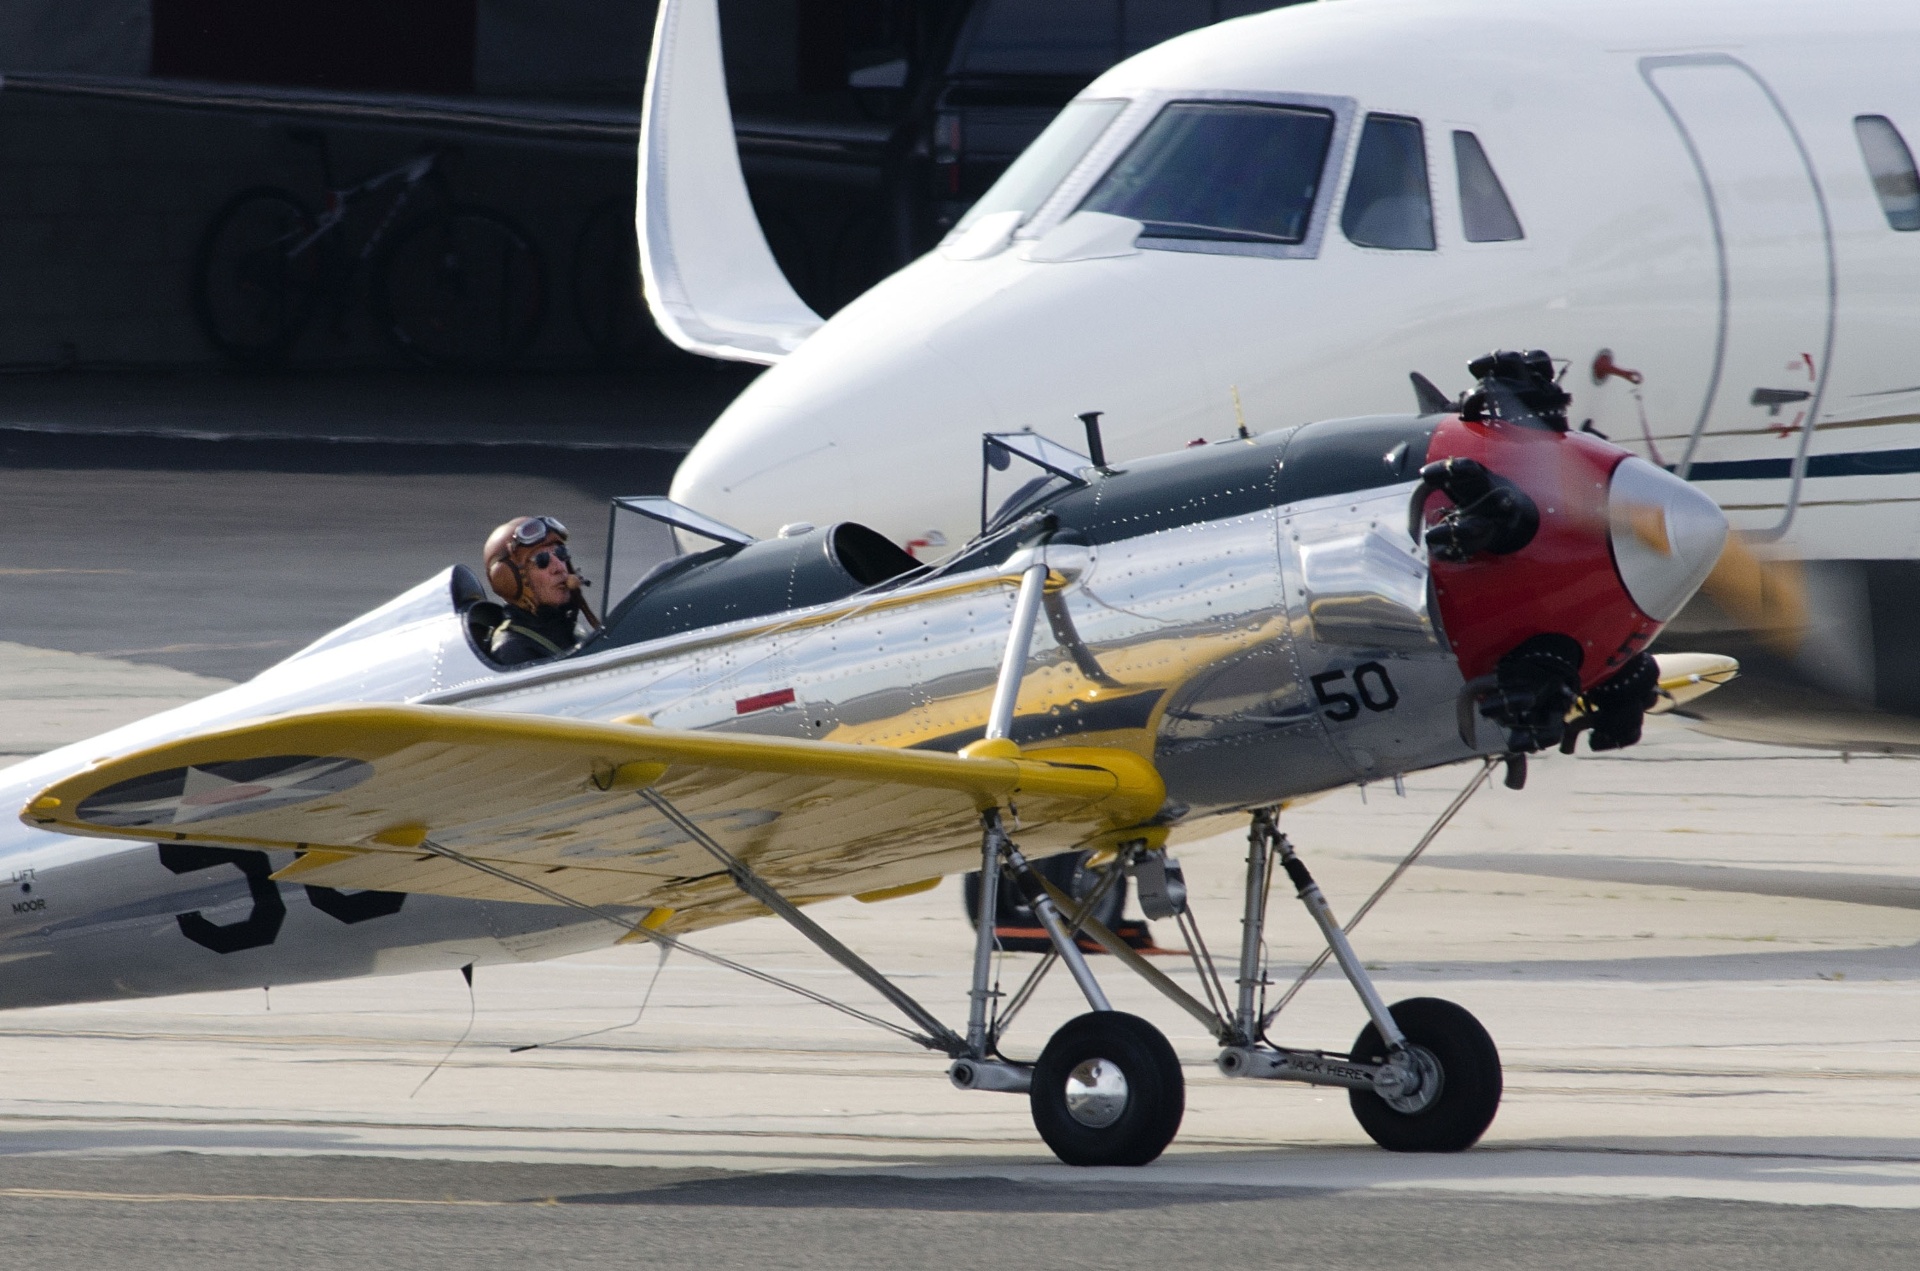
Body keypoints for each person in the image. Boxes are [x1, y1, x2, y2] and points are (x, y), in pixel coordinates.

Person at [483, 515, 593, 666]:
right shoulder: (513, 651)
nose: (559, 568)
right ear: (510, 580)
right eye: (542, 560)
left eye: (561, 553)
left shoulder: (572, 631)